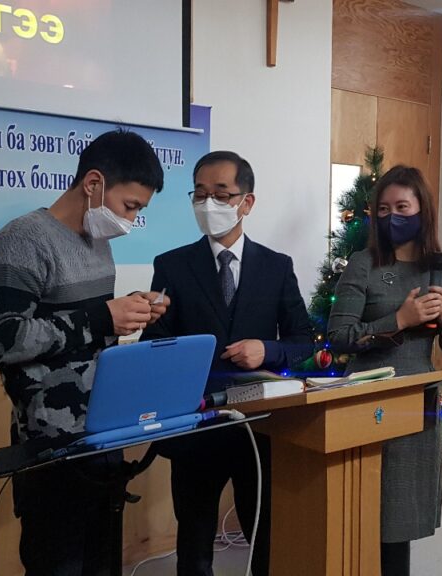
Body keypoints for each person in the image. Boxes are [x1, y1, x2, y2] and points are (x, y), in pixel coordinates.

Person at [0, 129, 171, 575]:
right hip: (51, 449)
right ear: (93, 183)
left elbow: (83, 323)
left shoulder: (96, 241)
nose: (131, 219)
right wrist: (102, 318)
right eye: (130, 206)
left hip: (102, 434)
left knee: (102, 562)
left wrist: (132, 308)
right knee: (58, 562)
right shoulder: (21, 241)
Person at [141, 150, 313, 576]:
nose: (208, 204)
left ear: (246, 202)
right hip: (196, 424)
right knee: (194, 542)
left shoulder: (276, 267)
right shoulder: (172, 265)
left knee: (264, 533)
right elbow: (155, 343)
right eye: (199, 194)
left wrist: (267, 350)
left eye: (220, 194)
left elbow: (303, 342)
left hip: (261, 425)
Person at [327, 165, 442, 576]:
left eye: (402, 207)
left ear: (422, 209)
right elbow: (339, 337)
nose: (393, 216)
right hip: (366, 402)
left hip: (416, 404)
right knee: (363, 511)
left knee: (399, 518)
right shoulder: (363, 263)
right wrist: (399, 320)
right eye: (384, 209)